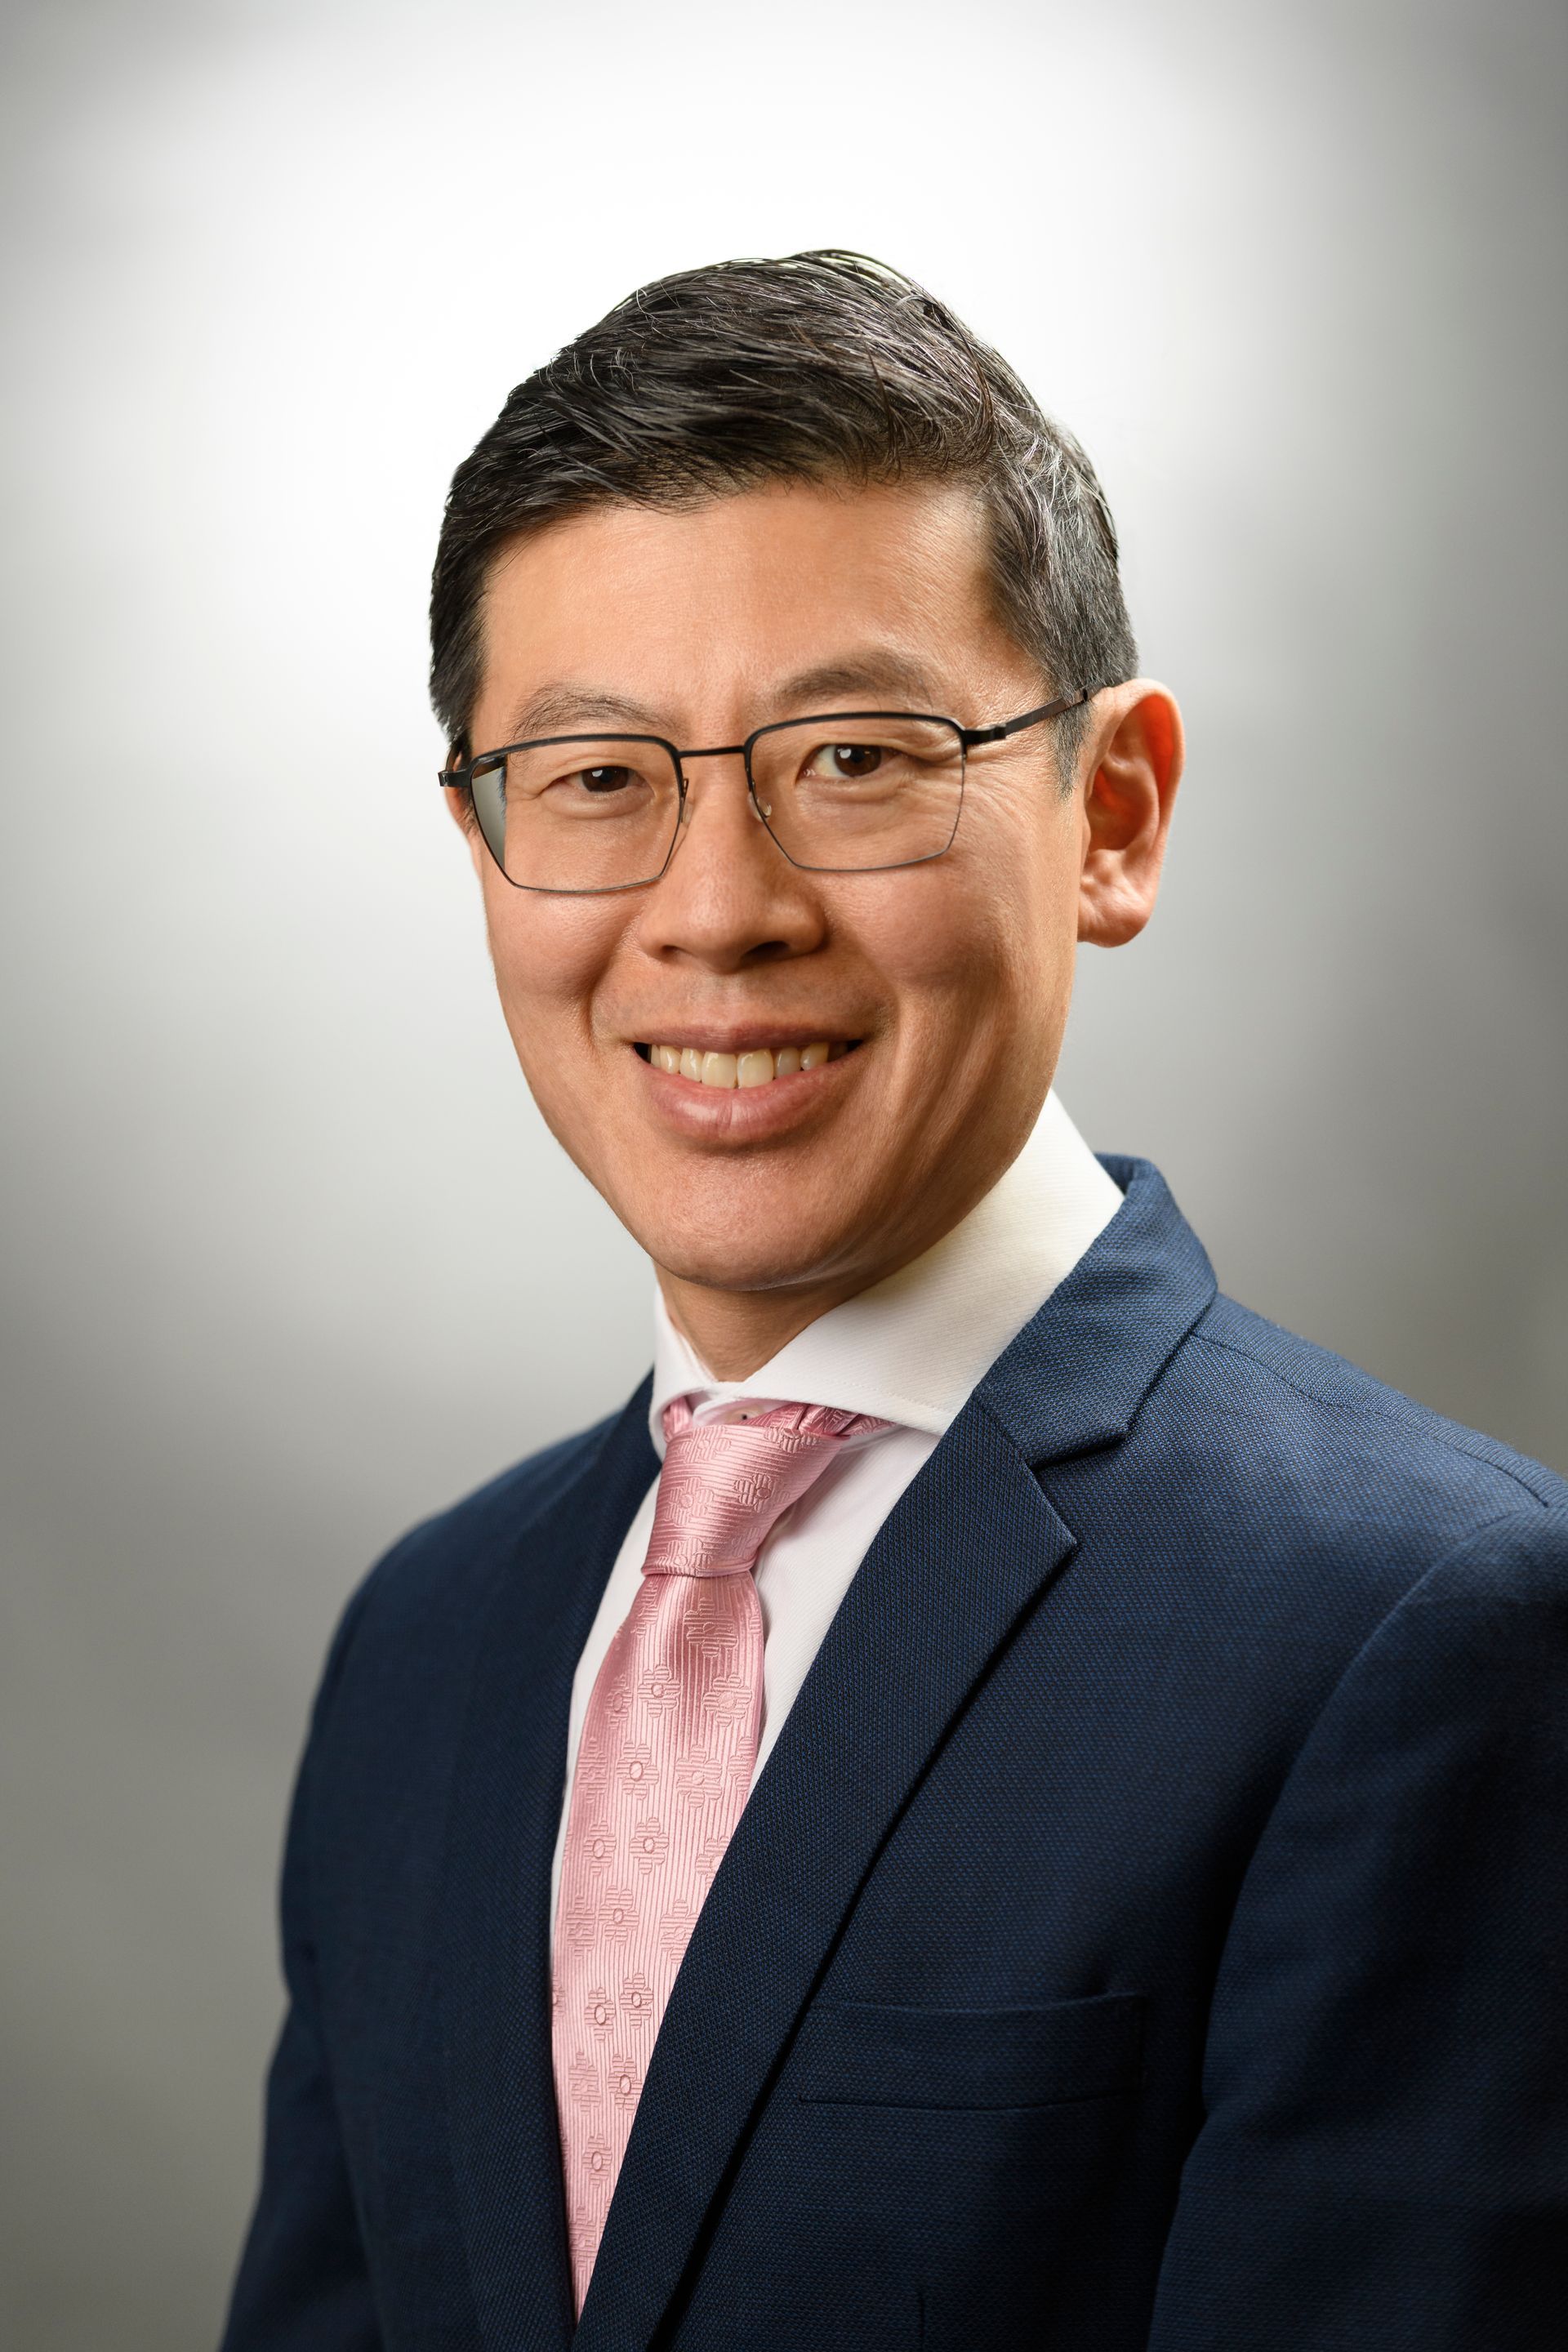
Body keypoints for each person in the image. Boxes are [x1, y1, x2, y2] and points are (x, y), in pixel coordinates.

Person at [220, 252, 1568, 2351]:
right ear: (481, 844)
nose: (719, 911)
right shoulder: (430, 1643)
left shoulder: (1433, 1626)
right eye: (593, 779)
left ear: (1110, 814)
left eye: (853, 758)